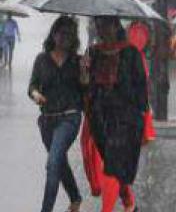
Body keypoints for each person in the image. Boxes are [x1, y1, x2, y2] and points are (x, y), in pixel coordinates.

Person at [83, 16, 148, 212]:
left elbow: (140, 86)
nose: (103, 30)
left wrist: (141, 115)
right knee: (112, 162)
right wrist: (84, 74)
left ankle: (118, 205)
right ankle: (128, 199)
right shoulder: (93, 53)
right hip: (100, 117)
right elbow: (86, 85)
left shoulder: (130, 52)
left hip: (125, 117)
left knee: (113, 162)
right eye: (99, 26)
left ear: (116, 26)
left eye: (106, 25)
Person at [28, 16, 84, 212]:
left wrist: (85, 73)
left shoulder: (78, 61)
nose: (64, 38)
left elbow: (85, 91)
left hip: (70, 117)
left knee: (52, 164)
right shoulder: (42, 59)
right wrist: (36, 95)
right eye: (61, 33)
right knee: (59, 161)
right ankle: (75, 198)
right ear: (53, 34)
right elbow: (32, 86)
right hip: (47, 121)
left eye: (69, 34)